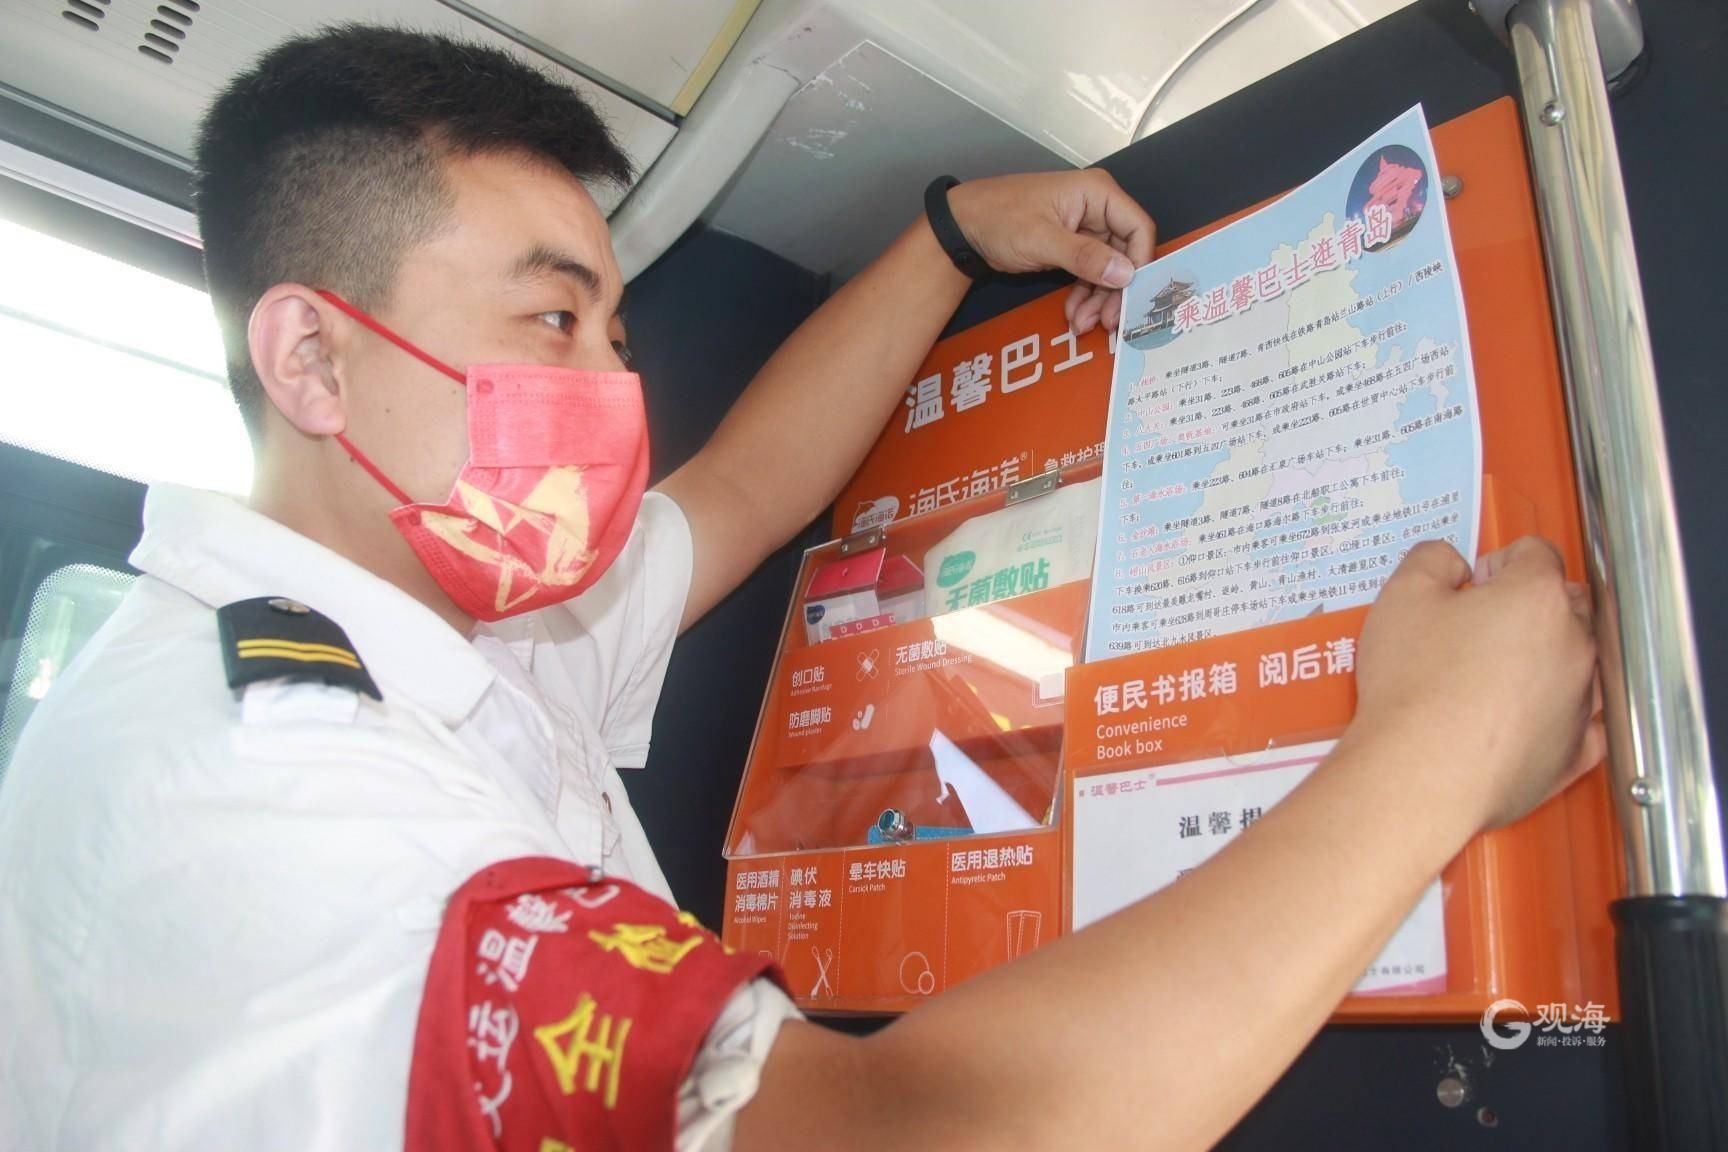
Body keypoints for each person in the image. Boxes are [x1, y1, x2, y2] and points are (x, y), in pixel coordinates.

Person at [0, 23, 1604, 1152]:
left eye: (616, 334)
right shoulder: (257, 791)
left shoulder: (469, 621)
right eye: (552, 321)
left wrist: (949, 240)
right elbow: (917, 1139)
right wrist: (1439, 753)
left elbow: (747, 492)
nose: (612, 388)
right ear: (310, 357)